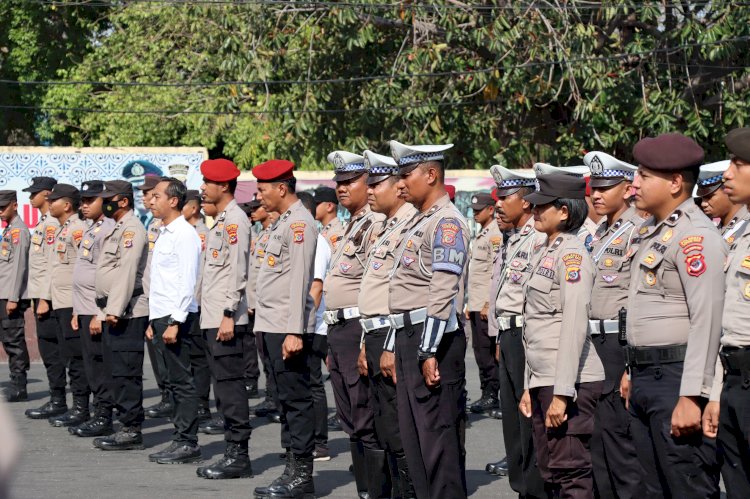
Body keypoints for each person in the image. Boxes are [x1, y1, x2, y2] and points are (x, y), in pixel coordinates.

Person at [625, 133, 725, 497]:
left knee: (686, 484)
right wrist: (629, 368)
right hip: (646, 376)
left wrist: (693, 396)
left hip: (676, 378)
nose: (634, 184)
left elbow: (708, 319)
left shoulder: (695, 237)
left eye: (643, 176)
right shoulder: (654, 232)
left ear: (675, 183)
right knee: (654, 488)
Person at [387, 140, 468, 498]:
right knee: (415, 439)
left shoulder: (447, 222)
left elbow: (442, 288)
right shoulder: (417, 222)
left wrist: (427, 349)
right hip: (409, 337)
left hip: (430, 339)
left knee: (437, 442)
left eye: (406, 175)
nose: (400, 183)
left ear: (431, 174)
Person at [518, 173, 605, 498]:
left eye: (544, 206)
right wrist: (530, 385)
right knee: (551, 470)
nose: (535, 211)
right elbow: (535, 327)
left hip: (568, 381)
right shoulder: (546, 251)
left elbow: (573, 326)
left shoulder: (572, 256)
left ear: (565, 211)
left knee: (571, 474)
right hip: (546, 379)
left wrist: (562, 393)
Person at [252, 159, 318, 498]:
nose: (258, 196)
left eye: (262, 189)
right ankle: (291, 468)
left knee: (296, 401)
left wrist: (295, 330)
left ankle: (302, 475)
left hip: (286, 328)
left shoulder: (300, 225)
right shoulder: (280, 225)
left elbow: (299, 280)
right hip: (271, 325)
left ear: (281, 188)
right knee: (284, 402)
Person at [322, 150, 385, 498]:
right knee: (350, 416)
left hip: (358, 327)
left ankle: (374, 491)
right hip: (339, 330)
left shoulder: (374, 223)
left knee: (364, 413)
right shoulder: (353, 223)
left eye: (350, 182)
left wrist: (363, 341)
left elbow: (374, 285)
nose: (342, 188)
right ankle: (365, 488)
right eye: (339, 183)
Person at [583, 151, 643, 498]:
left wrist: (631, 366)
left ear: (626, 188)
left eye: (606, 187)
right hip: (593, 344)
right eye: (595, 188)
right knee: (599, 447)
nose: (597, 194)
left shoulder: (637, 231)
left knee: (623, 450)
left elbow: (637, 302)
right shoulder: (599, 233)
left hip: (618, 345)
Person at [358, 149, 418, 497]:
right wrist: (367, 341)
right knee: (383, 425)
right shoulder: (386, 226)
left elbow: (405, 294)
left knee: (398, 427)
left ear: (398, 188)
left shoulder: (410, 225)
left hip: (394, 333)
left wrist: (391, 344)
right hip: (376, 332)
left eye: (376, 184)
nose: (369, 190)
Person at [486, 165, 546, 496]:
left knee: (528, 417)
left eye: (505, 197)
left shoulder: (537, 237)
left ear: (525, 202)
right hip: (508, 335)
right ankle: (521, 484)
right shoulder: (512, 238)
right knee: (511, 418)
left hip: (527, 335)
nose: (498, 203)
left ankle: (534, 488)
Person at [195, 158, 253, 480]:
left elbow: (238, 270)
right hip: (212, 316)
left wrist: (229, 313)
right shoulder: (219, 221)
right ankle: (232, 450)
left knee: (231, 389)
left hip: (225, 318)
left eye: (208, 182)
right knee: (223, 387)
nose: (203, 188)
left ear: (224, 186)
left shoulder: (235, 221)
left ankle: (238, 455)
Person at [145, 177, 203, 465]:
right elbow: (161, 282)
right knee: (171, 381)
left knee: (182, 382)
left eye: (157, 196)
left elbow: (187, 281)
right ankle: (179, 438)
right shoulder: (162, 232)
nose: (151, 200)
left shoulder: (184, 234)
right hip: (162, 315)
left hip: (176, 317)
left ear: (174, 201)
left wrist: (175, 321)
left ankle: (187, 442)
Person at [706, 127, 750, 498]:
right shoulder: (737, 234)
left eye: (738, 163)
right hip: (734, 378)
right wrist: (717, 394)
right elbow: (726, 323)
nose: (727, 174)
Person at [92, 180, 150, 451]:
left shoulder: (131, 230)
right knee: (116, 370)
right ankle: (125, 423)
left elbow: (127, 271)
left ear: (123, 201)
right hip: (112, 309)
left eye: (108, 198)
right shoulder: (116, 228)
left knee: (126, 371)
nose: (104, 203)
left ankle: (130, 428)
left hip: (126, 312)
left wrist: (114, 309)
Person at [69, 180, 117, 438]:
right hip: (85, 308)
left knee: (99, 365)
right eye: (83, 201)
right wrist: (78, 310)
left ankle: (105, 415)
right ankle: (100, 412)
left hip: (98, 310)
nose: (84, 205)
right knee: (90, 363)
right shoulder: (91, 228)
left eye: (91, 200)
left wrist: (99, 314)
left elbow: (108, 273)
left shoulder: (108, 229)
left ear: (105, 201)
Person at [23, 177, 68, 419]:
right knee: (49, 351)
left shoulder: (52, 224)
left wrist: (45, 299)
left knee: (53, 352)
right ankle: (56, 397)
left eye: (35, 193)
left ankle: (59, 400)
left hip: (48, 300)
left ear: (48, 194)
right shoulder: (44, 222)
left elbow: (53, 265)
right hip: (41, 297)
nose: (31, 197)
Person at [46, 184, 90, 428]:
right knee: (69, 356)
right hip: (61, 302)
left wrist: (76, 307)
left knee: (76, 358)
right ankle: (77, 406)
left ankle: (82, 408)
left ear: (67, 205)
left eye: (55, 199)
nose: (50, 203)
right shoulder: (64, 229)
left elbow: (82, 268)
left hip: (73, 303)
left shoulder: (77, 230)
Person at [297, 191, 332, 462]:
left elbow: (316, 287)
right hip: (303, 323)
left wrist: (302, 325)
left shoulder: (318, 242)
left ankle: (320, 443)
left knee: (313, 383)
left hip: (313, 325)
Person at [466, 192, 503, 414]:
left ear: (491, 209)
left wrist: (489, 303)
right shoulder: (482, 234)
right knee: (480, 352)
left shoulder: (495, 235)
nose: (476, 214)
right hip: (476, 304)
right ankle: (487, 393)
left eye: (479, 210)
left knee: (489, 353)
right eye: (473, 211)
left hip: (485, 306)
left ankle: (493, 395)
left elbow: (495, 272)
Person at [246, 199, 282, 423]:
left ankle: (277, 399)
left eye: (256, 208)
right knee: (265, 356)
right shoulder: (262, 234)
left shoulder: (273, 234)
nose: (253, 212)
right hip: (258, 303)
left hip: (270, 305)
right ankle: (272, 397)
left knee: (273, 359)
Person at [140, 175, 172, 421]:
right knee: (156, 353)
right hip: (153, 299)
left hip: (170, 302)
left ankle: (173, 399)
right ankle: (166, 396)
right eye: (144, 194)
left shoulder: (175, 226)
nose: (147, 199)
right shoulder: (153, 226)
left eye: (151, 194)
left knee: (169, 355)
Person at [182, 189, 213, 424]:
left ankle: (202, 403)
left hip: (197, 303)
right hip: (186, 303)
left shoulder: (202, 234)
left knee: (199, 358)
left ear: (193, 208)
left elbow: (201, 273)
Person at [0, 190, 31, 402]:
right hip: (3, 293)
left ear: (14, 205)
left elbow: (20, 266)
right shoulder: (9, 230)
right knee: (7, 338)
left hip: (10, 295)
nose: (0, 212)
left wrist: (13, 298)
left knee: (13, 339)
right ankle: (15, 381)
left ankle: (19, 384)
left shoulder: (19, 231)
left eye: (3, 207)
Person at [696, 160, 748, 242]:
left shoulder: (746, 225)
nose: (703, 204)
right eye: (702, 198)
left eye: (709, 197)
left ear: (728, 190)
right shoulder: (713, 227)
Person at [314, 186, 345, 252]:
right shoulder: (327, 230)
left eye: (316, 204)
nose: (313, 207)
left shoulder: (335, 233)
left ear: (329, 206)